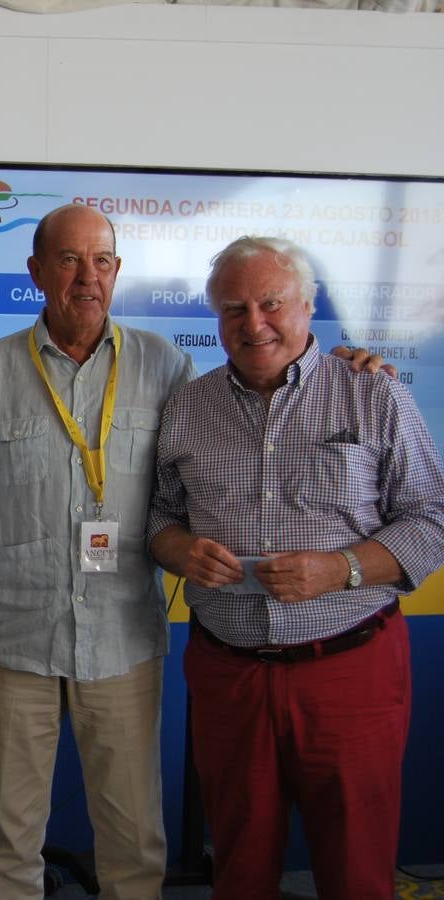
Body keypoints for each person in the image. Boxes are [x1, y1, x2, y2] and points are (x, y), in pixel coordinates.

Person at [148, 236, 444, 900]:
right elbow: (157, 518)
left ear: (308, 307)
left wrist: (343, 569)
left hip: (351, 671)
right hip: (231, 671)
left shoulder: (373, 395)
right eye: (233, 309)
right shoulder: (188, 409)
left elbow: (433, 517)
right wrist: (178, 550)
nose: (253, 324)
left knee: (357, 869)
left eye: (271, 303)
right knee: (241, 865)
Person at [0, 203, 185, 900]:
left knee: (133, 841)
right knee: (11, 841)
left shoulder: (165, 366)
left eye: (100, 260)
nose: (86, 277)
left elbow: (223, 452)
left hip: (123, 642)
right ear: (36, 272)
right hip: (15, 644)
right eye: (69, 261)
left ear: (118, 270)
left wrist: (335, 368)